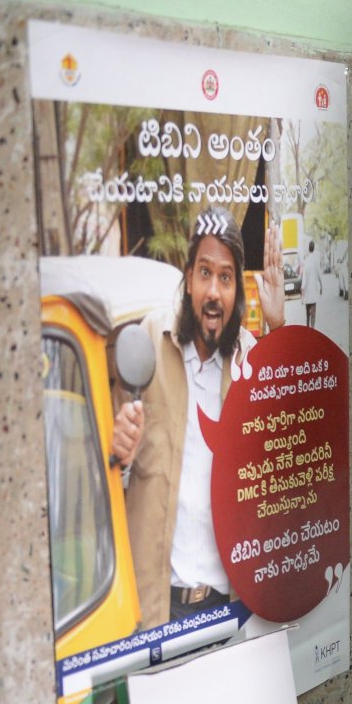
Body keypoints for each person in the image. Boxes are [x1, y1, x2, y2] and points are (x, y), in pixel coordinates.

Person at [112, 205, 282, 630]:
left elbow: (286, 457)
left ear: (237, 291)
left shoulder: (251, 359)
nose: (213, 291)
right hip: (159, 609)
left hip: (232, 609)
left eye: (225, 277)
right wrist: (119, 452)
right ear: (188, 279)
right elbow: (110, 466)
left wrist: (279, 331)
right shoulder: (149, 340)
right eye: (204, 272)